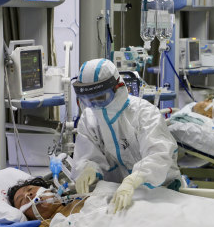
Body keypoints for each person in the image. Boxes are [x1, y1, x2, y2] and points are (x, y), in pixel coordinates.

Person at [71, 58, 180, 213]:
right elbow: (88, 156)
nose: (94, 104)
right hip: (116, 198)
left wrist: (133, 180)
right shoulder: (89, 118)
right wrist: (89, 168)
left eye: (100, 98)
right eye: (87, 100)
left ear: (118, 88)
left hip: (160, 191)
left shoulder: (144, 113)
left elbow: (159, 155)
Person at [8, 178, 87, 227]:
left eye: (30, 189)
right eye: (21, 200)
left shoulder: (82, 199)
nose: (28, 195)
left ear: (49, 190)